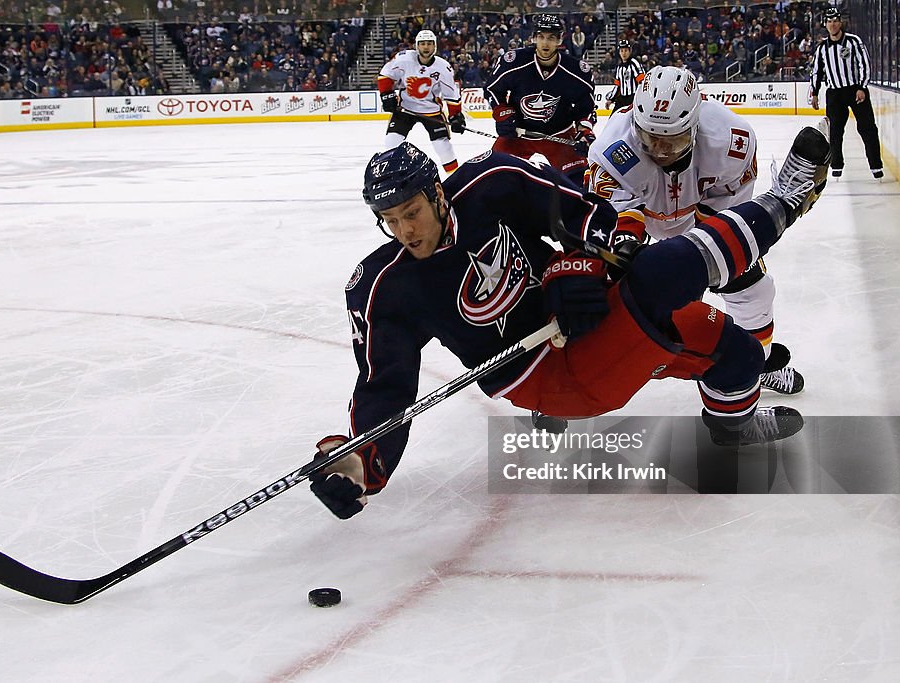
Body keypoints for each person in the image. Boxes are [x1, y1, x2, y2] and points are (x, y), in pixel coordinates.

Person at [309, 126, 831, 519]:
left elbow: (573, 209)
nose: (404, 230)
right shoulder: (383, 287)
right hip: (553, 377)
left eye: (411, 212)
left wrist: (589, 258)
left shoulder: (491, 183)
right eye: (390, 219)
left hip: (587, 318)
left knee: (735, 350)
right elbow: (384, 388)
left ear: (437, 194)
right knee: (654, 280)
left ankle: (732, 427)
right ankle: (784, 203)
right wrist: (355, 463)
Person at [585, 66, 805, 396]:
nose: (659, 150)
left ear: (694, 125)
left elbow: (727, 213)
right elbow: (617, 214)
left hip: (702, 217)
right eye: (650, 138)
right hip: (642, 220)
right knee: (601, 295)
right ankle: (572, 379)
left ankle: (755, 368)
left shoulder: (732, 140)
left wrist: (695, 264)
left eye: (671, 140)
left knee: (755, 290)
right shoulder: (614, 148)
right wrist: (626, 244)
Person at [484, 13, 597, 181]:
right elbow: (492, 89)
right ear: (534, 38)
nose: (545, 42)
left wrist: (584, 131)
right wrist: (502, 113)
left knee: (580, 183)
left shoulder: (576, 72)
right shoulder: (514, 62)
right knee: (492, 177)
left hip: (560, 134)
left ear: (560, 40)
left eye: (551, 37)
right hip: (518, 134)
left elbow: (586, 107)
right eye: (541, 37)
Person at [809, 6, 884, 180]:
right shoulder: (822, 48)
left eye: (835, 21)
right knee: (835, 131)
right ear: (825, 25)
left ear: (840, 22)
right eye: (829, 21)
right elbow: (817, 72)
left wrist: (862, 87)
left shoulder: (853, 41)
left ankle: (875, 165)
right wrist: (814, 93)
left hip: (855, 91)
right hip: (834, 94)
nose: (833, 24)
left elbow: (864, 64)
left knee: (868, 128)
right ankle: (836, 165)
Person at [377, 29, 466, 173]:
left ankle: (455, 179)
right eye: (423, 44)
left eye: (429, 44)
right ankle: (393, 178)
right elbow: (385, 76)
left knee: (443, 147)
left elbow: (451, 95)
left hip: (431, 112)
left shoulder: (443, 68)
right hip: (405, 109)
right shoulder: (403, 59)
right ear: (417, 46)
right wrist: (386, 94)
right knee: (391, 144)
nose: (426, 47)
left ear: (435, 46)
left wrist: (456, 116)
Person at [604, 39, 645, 110]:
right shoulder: (619, 67)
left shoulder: (634, 63)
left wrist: (640, 98)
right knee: (613, 120)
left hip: (634, 98)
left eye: (626, 50)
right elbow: (617, 86)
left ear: (630, 51)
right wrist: (611, 100)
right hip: (622, 100)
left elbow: (642, 81)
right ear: (619, 52)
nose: (624, 53)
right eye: (622, 51)